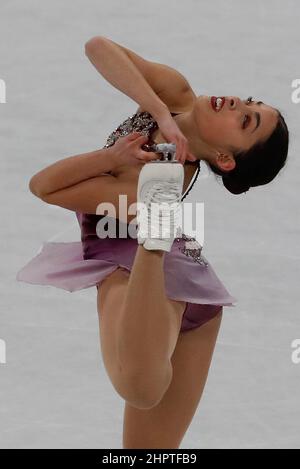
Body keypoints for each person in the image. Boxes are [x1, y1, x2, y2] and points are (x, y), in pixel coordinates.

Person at [16, 36, 289, 449]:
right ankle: (155, 235)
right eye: (248, 101)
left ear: (225, 158)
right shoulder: (176, 94)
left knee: (140, 389)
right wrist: (160, 111)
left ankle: (151, 241)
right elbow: (98, 47)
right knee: (149, 453)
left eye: (246, 120)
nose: (236, 103)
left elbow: (45, 186)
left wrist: (110, 160)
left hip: (133, 266)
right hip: (191, 282)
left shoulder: (148, 178)